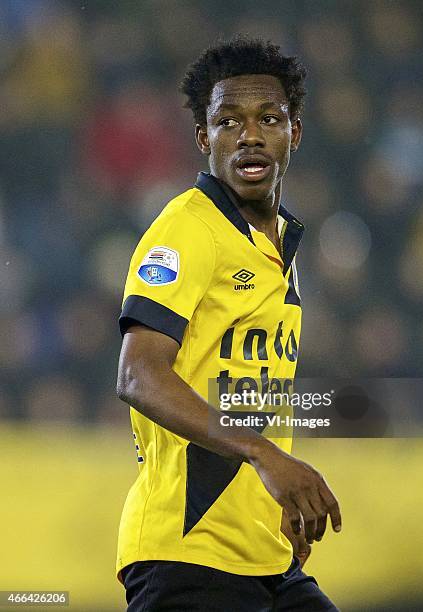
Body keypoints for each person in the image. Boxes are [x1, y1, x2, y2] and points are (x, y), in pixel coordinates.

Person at [116, 36, 341, 611]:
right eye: (227, 121)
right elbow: (139, 375)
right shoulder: (187, 228)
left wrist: (271, 505)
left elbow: (250, 391)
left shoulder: (278, 243)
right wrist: (269, 458)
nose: (249, 134)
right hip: (187, 557)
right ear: (203, 137)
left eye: (269, 118)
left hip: (266, 556)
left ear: (294, 133)